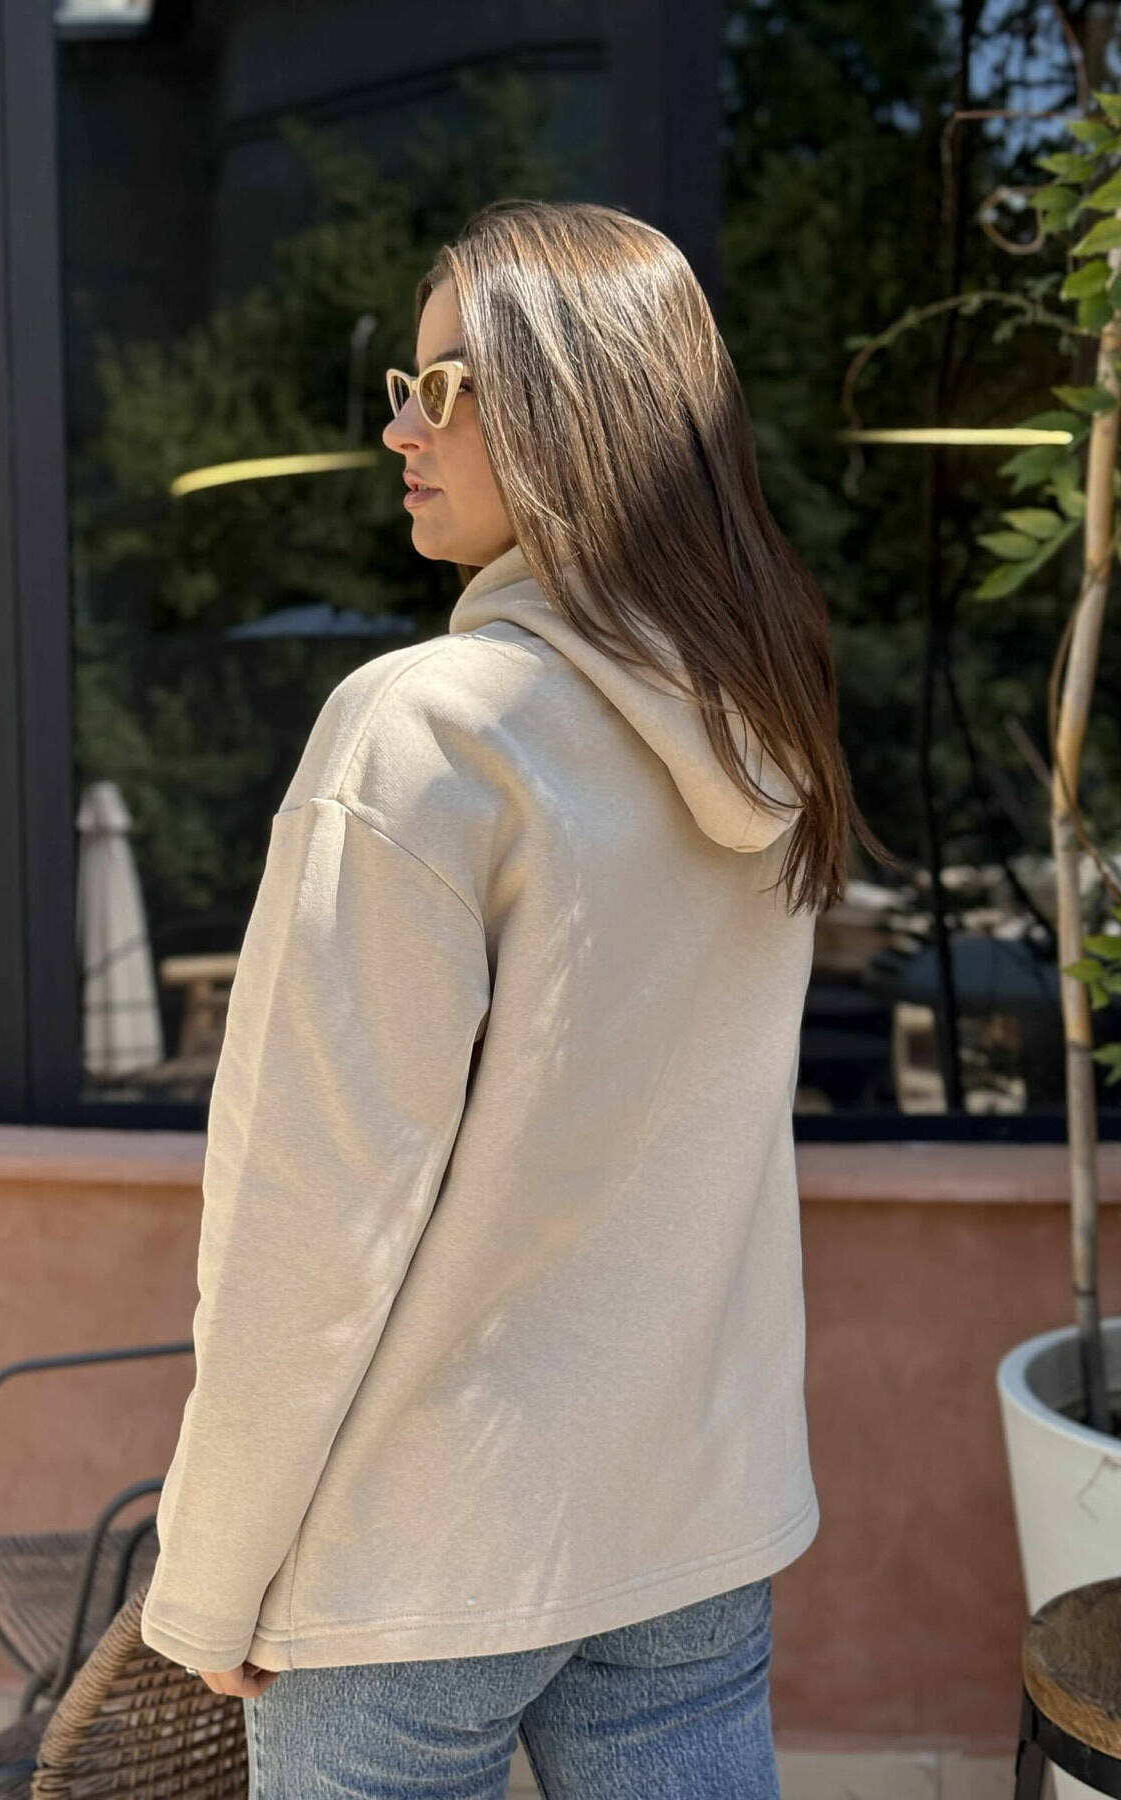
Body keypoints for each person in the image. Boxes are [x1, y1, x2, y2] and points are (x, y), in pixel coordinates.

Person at [139, 197, 898, 1798]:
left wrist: (209, 1571)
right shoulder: (760, 727)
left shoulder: (429, 732)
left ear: (571, 408)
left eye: (443, 387)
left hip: (422, 1553)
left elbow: (310, 1210)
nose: (401, 430)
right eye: (403, 390)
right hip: (686, 1518)